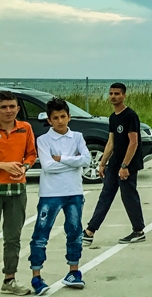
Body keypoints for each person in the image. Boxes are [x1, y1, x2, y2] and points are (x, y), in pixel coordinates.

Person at [29, 98, 91, 295]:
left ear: (69, 117)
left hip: (74, 192)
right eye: (55, 118)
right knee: (41, 234)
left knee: (74, 232)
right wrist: (74, 162)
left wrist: (62, 159)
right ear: (49, 120)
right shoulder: (43, 140)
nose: (60, 121)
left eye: (63, 116)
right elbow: (48, 166)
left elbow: (87, 159)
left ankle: (74, 271)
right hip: (51, 193)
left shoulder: (78, 137)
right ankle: (36, 276)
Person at [83, 83, 146, 246]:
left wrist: (125, 166)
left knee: (128, 196)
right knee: (105, 195)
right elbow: (111, 142)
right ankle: (90, 231)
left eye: (117, 94)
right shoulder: (113, 117)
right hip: (114, 163)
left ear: (124, 96)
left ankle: (138, 231)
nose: (113, 96)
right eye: (111, 93)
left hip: (127, 164)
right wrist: (102, 163)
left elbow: (133, 142)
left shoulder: (130, 115)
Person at [0, 91, 37, 296]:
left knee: (13, 237)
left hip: (16, 191)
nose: (9, 111)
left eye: (12, 106)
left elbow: (31, 154)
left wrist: (24, 167)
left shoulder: (25, 128)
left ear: (18, 108)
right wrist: (3, 165)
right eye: (3, 107)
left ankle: (9, 279)